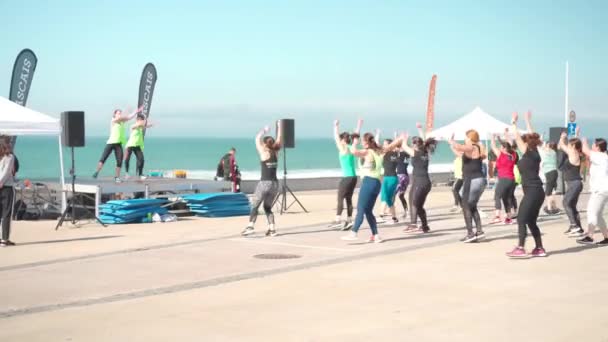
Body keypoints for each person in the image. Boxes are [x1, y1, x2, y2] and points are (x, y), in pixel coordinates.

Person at [341, 133, 403, 242]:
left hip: (368, 182)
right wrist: (400, 138)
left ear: (367, 142)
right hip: (377, 183)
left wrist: (354, 142)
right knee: (368, 211)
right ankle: (376, 236)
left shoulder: (367, 152)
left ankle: (353, 233)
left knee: (361, 209)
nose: (362, 143)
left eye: (363, 141)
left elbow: (354, 152)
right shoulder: (379, 151)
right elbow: (392, 145)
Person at [506, 111, 546, 258]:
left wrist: (514, 123)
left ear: (528, 143)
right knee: (531, 221)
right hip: (537, 191)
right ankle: (539, 248)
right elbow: (531, 135)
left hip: (533, 191)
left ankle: (521, 248)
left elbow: (517, 137)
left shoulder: (528, 152)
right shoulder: (535, 151)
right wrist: (528, 121)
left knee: (522, 219)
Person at [242, 123, 282, 237]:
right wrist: (279, 127)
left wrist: (264, 130)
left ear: (265, 144)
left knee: (255, 205)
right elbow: (279, 140)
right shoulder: (276, 153)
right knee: (267, 207)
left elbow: (256, 139)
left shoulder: (264, 153)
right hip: (275, 184)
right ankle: (272, 229)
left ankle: (250, 227)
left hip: (264, 183)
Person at [449, 130, 487, 242]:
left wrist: (452, 141)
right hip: (478, 180)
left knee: (465, 206)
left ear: (470, 138)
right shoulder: (476, 148)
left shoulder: (473, 147)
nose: (465, 139)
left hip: (472, 180)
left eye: (466, 137)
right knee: (472, 206)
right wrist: (451, 146)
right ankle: (479, 231)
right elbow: (460, 153)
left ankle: (470, 234)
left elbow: (462, 148)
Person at [93, 107, 142, 182]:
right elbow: (124, 117)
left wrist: (136, 111)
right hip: (111, 143)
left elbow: (128, 117)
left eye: (120, 113)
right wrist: (126, 115)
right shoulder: (113, 120)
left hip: (118, 144)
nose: (119, 115)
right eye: (118, 113)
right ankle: (97, 172)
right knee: (103, 158)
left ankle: (117, 177)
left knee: (119, 161)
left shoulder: (122, 122)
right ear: (115, 114)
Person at [401, 132, 437, 233]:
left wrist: (404, 138)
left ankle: (413, 224)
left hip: (419, 182)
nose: (412, 145)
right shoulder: (426, 152)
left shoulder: (416, 153)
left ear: (415, 144)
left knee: (414, 203)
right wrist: (420, 130)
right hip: (426, 182)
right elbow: (424, 142)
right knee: (419, 205)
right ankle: (425, 226)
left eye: (413, 144)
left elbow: (404, 146)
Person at [330, 119, 361, 230]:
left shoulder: (343, 148)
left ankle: (338, 220)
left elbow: (336, 138)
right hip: (353, 177)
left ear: (343, 140)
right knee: (348, 198)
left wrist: (335, 126)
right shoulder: (351, 148)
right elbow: (356, 138)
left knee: (340, 198)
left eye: (341, 139)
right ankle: (349, 220)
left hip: (347, 177)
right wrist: (359, 125)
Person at [577, 138, 608, 245]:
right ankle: (607, 237)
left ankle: (590, 236)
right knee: (598, 214)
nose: (592, 147)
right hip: (602, 189)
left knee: (592, 211)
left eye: (593, 145)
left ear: (598, 147)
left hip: (600, 190)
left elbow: (586, 150)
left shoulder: (600, 156)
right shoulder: (603, 157)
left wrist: (584, 140)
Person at [558, 131, 584, 237]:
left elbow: (562, 145)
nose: (568, 145)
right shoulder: (574, 152)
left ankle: (575, 226)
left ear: (573, 146)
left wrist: (562, 137)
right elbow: (564, 146)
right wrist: (576, 135)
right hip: (573, 183)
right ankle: (578, 227)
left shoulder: (573, 153)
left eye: (570, 144)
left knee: (566, 203)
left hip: (574, 183)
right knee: (571, 205)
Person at [489, 134, 517, 224]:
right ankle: (508, 218)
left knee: (497, 196)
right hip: (512, 180)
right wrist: (502, 137)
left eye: (501, 147)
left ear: (504, 148)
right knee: (506, 198)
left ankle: (497, 216)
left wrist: (492, 137)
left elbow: (493, 146)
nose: (500, 148)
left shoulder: (501, 155)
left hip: (504, 179)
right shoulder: (513, 155)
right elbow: (510, 144)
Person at [378, 138, 400, 224]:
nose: (384, 145)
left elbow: (379, 149)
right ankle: (394, 217)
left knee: (385, 197)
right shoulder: (395, 154)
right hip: (391, 178)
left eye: (385, 144)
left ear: (389, 145)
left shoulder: (387, 154)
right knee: (388, 199)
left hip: (389, 178)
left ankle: (381, 215)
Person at [124, 114, 152, 180]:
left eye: (142, 120)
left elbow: (146, 126)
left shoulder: (140, 127)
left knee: (141, 160)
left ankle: (140, 174)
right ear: (137, 120)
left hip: (137, 146)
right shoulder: (133, 126)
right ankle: (127, 173)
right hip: (130, 145)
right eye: (141, 120)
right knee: (127, 159)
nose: (141, 121)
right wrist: (144, 121)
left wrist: (150, 124)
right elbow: (139, 125)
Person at [0, 140, 16, 247]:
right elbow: (6, 172)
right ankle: (4, 239)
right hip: (6, 187)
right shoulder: (10, 157)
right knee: (6, 213)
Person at [540, 141, 559, 214]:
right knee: (552, 191)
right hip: (554, 172)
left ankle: (549, 208)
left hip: (549, 173)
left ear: (548, 146)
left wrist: (543, 145)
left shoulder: (546, 152)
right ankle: (554, 207)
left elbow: (541, 149)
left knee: (548, 192)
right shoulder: (554, 152)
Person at [395, 145, 411, 219]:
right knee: (401, 195)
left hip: (400, 176)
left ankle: (391, 213)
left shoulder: (400, 155)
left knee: (392, 194)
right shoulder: (407, 155)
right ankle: (406, 212)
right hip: (406, 177)